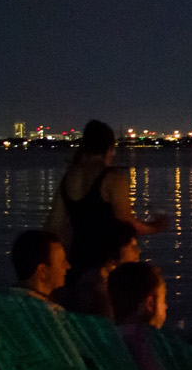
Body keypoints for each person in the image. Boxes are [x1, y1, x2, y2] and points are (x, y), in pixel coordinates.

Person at [47, 120, 169, 284]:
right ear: (110, 149)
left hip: (75, 263)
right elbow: (127, 224)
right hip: (103, 268)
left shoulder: (68, 178)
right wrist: (156, 226)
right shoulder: (114, 179)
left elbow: (53, 226)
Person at [58, 234, 139, 317]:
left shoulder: (104, 283)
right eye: (133, 247)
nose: (138, 251)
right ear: (119, 249)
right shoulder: (95, 289)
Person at [11, 230, 69, 302]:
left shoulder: (1, 302)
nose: (68, 266)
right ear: (43, 272)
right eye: (62, 263)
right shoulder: (45, 311)